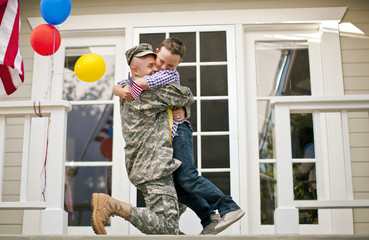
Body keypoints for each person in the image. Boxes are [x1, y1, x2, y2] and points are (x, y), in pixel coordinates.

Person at [114, 38, 245, 234]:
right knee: (180, 185)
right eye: (157, 63)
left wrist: (183, 109)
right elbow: (125, 85)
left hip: (179, 132)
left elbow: (183, 94)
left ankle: (228, 206)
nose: (161, 67)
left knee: (188, 177)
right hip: (167, 140)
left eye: (169, 65)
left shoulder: (163, 77)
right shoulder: (140, 83)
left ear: (177, 64)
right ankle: (208, 217)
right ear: (158, 53)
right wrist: (118, 89)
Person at [91, 43, 194, 235]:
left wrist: (183, 110)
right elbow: (184, 94)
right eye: (151, 67)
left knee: (184, 198)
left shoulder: (133, 88)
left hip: (153, 164)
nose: (157, 70)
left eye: (156, 65)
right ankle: (112, 206)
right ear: (135, 71)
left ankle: (170, 230)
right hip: (153, 166)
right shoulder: (138, 94)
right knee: (166, 227)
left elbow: (178, 101)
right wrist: (183, 105)